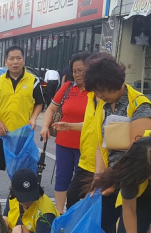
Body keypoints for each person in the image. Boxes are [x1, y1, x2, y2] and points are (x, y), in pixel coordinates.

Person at [66, 53, 151, 233]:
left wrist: (114, 182)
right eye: (96, 91)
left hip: (138, 181)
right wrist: (99, 177)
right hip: (113, 177)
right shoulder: (104, 104)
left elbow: (138, 154)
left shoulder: (139, 105)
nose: (99, 96)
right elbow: (102, 143)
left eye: (102, 91)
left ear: (115, 82)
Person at [0, 45, 45, 188]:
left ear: (24, 61)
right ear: (6, 62)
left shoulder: (33, 81)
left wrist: (34, 118)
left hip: (22, 135)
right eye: (11, 59)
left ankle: (20, 198)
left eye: (18, 58)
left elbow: (40, 103)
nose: (15, 62)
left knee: (21, 169)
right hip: (2, 133)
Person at [41, 52, 91, 214]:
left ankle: (77, 213)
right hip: (63, 143)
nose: (77, 75)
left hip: (86, 145)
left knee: (83, 182)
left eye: (81, 70)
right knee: (62, 178)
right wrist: (44, 126)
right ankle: (61, 212)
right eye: (75, 71)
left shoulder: (97, 91)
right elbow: (51, 108)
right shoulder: (68, 86)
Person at [3, 169, 58, 233]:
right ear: (14, 193)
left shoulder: (45, 212)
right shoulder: (12, 198)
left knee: (18, 232)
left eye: (31, 195)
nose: (28, 201)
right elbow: (5, 217)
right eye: (23, 197)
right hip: (18, 232)